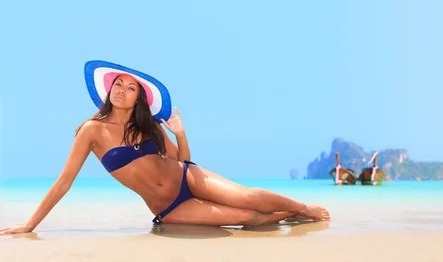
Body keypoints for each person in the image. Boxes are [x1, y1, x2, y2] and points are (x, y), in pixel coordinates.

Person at [0, 70, 330, 235]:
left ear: (138, 98)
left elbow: (182, 161)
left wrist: (180, 132)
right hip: (169, 207)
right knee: (245, 219)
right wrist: (29, 225)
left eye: (131, 88)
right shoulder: (92, 131)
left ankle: (303, 208)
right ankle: (286, 216)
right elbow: (63, 182)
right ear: (109, 88)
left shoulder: (150, 127)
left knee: (248, 198)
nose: (122, 90)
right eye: (118, 84)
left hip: (188, 178)